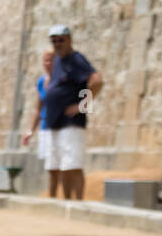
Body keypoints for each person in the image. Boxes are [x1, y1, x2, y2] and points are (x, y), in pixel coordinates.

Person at [42, 24, 102, 200]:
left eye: (60, 40)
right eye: (54, 41)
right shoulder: (59, 60)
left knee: (73, 164)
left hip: (71, 122)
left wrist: (82, 105)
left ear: (69, 40)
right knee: (60, 165)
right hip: (55, 121)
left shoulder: (76, 59)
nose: (57, 44)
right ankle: (66, 201)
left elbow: (97, 81)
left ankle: (78, 202)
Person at [21, 50, 59, 197]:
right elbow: (39, 108)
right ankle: (53, 197)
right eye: (45, 60)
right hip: (45, 126)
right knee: (51, 165)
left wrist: (82, 111)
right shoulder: (41, 82)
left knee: (62, 165)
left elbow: (86, 90)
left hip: (60, 126)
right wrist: (30, 131)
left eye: (51, 60)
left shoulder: (63, 80)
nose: (48, 64)